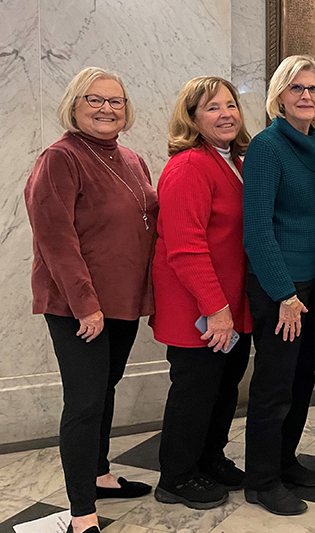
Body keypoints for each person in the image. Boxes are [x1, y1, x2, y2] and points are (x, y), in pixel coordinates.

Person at [24, 67, 157, 533]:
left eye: (115, 101)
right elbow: (55, 239)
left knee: (105, 390)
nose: (106, 109)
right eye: (94, 100)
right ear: (74, 104)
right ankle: (82, 512)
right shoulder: (59, 158)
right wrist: (86, 304)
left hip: (121, 301)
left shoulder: (132, 158)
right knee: (84, 402)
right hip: (78, 306)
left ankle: (99, 474)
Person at [150, 77, 252, 510]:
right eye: (212, 107)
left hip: (231, 305)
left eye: (230, 105)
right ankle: (176, 476)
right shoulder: (189, 166)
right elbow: (186, 247)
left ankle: (210, 457)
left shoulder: (235, 162)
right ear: (191, 117)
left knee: (224, 388)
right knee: (194, 391)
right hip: (200, 307)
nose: (225, 114)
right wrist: (216, 309)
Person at [242, 55, 315, 516]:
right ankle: (261, 480)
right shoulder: (267, 145)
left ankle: (284, 459)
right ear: (280, 95)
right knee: (274, 384)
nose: (306, 96)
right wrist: (285, 294)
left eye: (313, 89)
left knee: (301, 380)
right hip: (282, 286)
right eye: (296, 88)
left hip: (314, 282)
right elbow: (257, 229)